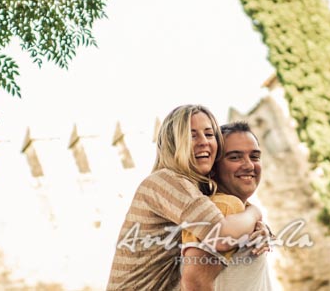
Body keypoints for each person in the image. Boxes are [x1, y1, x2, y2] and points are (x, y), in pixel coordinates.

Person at [106, 105, 263, 291]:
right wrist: (254, 212)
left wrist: (260, 228)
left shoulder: (190, 189)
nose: (203, 141)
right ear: (173, 143)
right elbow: (221, 236)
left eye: (209, 134)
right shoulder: (168, 181)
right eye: (192, 135)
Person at [180, 121, 274, 291]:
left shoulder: (235, 209)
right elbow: (195, 284)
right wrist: (255, 213)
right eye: (235, 157)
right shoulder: (223, 207)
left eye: (254, 156)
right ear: (213, 168)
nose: (249, 165)